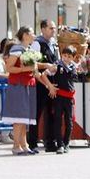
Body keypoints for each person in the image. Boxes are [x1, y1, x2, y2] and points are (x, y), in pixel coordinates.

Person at [3, 27, 55, 155]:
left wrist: (47, 85)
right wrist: (24, 69)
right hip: (18, 85)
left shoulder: (29, 50)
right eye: (32, 33)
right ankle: (16, 146)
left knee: (25, 117)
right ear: (25, 35)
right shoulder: (16, 49)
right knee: (19, 117)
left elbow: (35, 73)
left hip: (29, 85)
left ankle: (24, 145)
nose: (34, 35)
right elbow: (9, 68)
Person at [28, 19, 59, 152]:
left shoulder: (53, 44)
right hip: (40, 83)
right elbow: (31, 63)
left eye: (54, 28)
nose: (54, 30)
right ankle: (32, 142)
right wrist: (46, 65)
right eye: (51, 28)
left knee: (52, 113)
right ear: (43, 29)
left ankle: (50, 142)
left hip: (52, 81)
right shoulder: (37, 43)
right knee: (37, 113)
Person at [50, 46, 79, 154]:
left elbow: (75, 78)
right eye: (64, 56)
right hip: (59, 97)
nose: (66, 58)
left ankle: (66, 143)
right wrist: (50, 86)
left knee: (69, 121)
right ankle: (59, 144)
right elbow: (44, 74)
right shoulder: (57, 65)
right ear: (61, 55)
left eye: (69, 56)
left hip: (69, 98)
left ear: (73, 57)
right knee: (57, 120)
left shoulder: (73, 67)